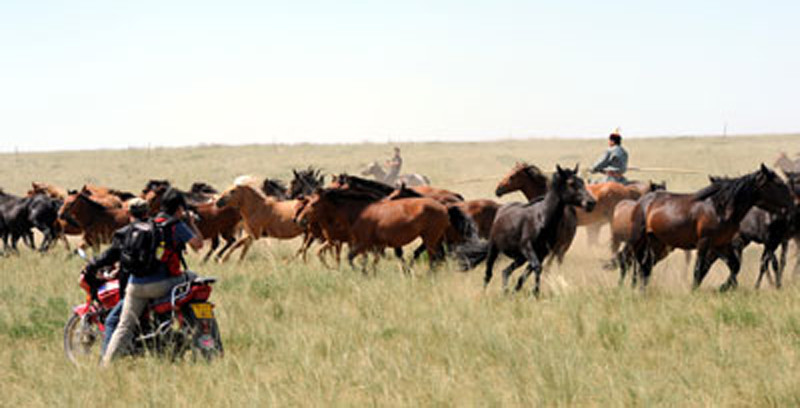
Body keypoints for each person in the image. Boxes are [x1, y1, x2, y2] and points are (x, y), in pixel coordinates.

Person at [101, 188, 203, 366]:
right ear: (179, 208)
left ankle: (106, 366)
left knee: (124, 327)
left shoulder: (148, 224)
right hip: (161, 285)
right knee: (193, 277)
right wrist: (191, 223)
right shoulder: (176, 225)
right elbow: (198, 245)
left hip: (134, 286)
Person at [82, 197, 150, 356]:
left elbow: (109, 255)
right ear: (147, 212)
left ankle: (105, 362)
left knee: (112, 321)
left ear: (127, 212)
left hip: (136, 286)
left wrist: (91, 265)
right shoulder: (156, 229)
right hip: (164, 281)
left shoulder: (125, 233)